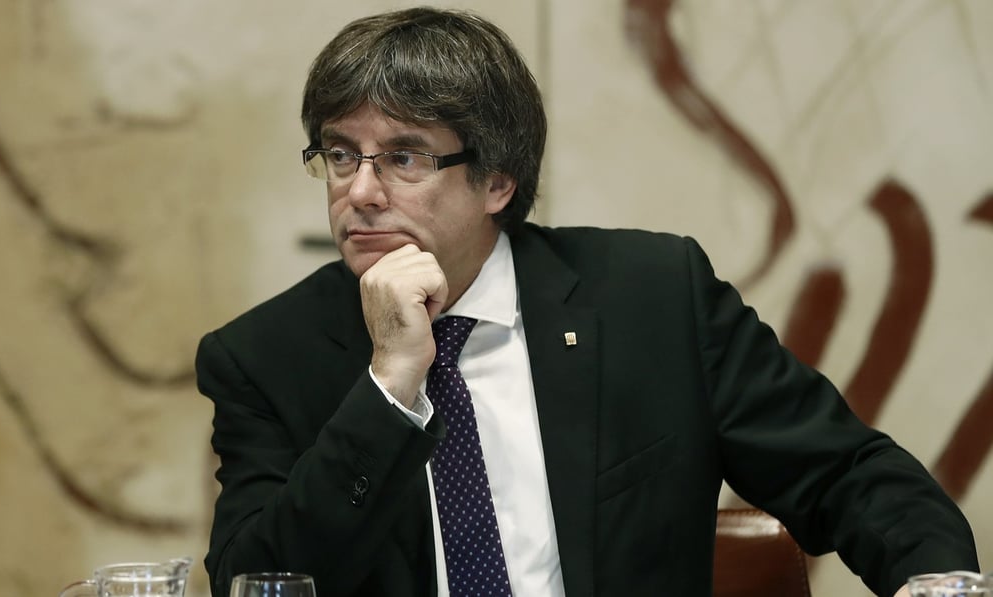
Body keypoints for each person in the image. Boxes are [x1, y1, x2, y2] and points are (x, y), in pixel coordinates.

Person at [195, 7, 980, 597]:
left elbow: (848, 473)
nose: (359, 192)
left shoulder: (652, 298)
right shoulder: (264, 357)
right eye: (340, 154)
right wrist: (389, 387)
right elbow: (257, 582)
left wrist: (934, 580)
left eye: (403, 157)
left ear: (497, 181)